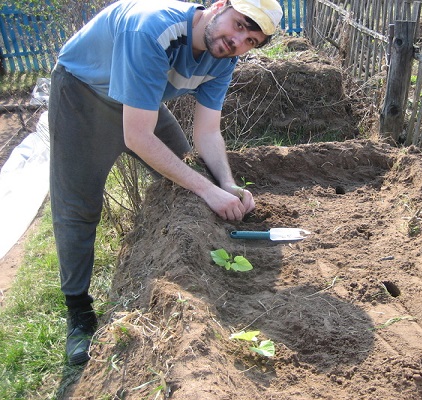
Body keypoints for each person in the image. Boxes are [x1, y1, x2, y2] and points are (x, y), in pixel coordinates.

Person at [48, 0, 283, 365]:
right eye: (238, 25)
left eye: (250, 40)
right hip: (84, 95)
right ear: (219, 6)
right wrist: (208, 190)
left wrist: (227, 184)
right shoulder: (151, 29)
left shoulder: (223, 59)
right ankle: (78, 313)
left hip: (140, 104)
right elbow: (138, 137)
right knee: (78, 206)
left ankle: (199, 254)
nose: (237, 41)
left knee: (191, 175)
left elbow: (208, 133)